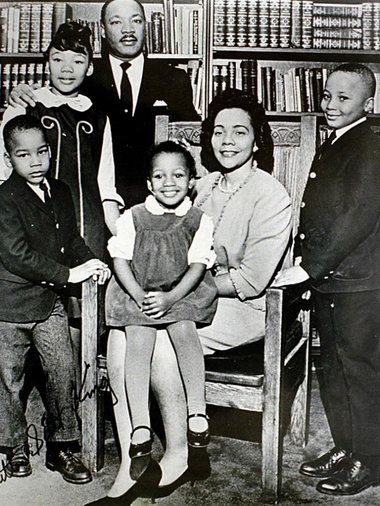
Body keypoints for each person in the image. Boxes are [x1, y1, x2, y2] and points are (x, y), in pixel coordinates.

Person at [87, 89, 292, 505]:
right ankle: (135, 457)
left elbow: (252, 280)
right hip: (183, 295)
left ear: (258, 139)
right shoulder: (201, 185)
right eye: (218, 132)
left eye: (239, 131)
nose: (227, 141)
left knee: (159, 335)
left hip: (245, 307)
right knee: (122, 331)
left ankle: (180, 450)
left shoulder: (272, 195)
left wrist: (174, 292)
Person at [274, 63, 380, 496]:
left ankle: (370, 459)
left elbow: (356, 217)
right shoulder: (335, 142)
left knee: (360, 370)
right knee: (332, 367)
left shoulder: (369, 148)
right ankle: (346, 445)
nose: (330, 105)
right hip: (331, 279)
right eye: (327, 95)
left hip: (357, 282)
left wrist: (308, 267)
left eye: (343, 98)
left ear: (368, 105)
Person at [0, 21, 123, 389]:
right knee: (37, 319)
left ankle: (75, 408)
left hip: (86, 230)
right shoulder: (25, 107)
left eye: (77, 60)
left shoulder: (98, 116)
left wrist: (121, 239)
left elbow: (106, 181)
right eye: (57, 59)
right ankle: (43, 417)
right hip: (35, 233)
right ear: (46, 63)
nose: (66, 68)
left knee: (80, 319)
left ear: (89, 66)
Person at [0, 115, 110, 484]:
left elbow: (70, 240)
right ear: (8, 158)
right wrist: (68, 275)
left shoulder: (61, 191)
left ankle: (62, 446)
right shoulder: (3, 198)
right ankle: (14, 445)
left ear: (50, 152)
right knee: (9, 380)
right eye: (23, 155)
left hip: (49, 303)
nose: (35, 162)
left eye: (42, 152)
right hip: (8, 306)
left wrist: (89, 261)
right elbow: (16, 254)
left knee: (62, 372)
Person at [8, 0, 200, 208]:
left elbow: (190, 139)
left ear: (146, 24)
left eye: (135, 20)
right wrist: (21, 93)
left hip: (158, 203)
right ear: (102, 29)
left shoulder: (174, 79)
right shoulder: (82, 75)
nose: (128, 30)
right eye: (117, 22)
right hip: (94, 204)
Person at [105, 140, 217, 484]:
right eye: (160, 176)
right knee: (138, 335)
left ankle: (197, 412)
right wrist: (139, 295)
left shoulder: (199, 219)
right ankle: (141, 425)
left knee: (183, 328)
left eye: (178, 175)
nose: (169, 182)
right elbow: (120, 259)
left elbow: (198, 265)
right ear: (150, 183)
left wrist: (171, 298)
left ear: (191, 180)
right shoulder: (132, 217)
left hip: (180, 290)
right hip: (139, 290)